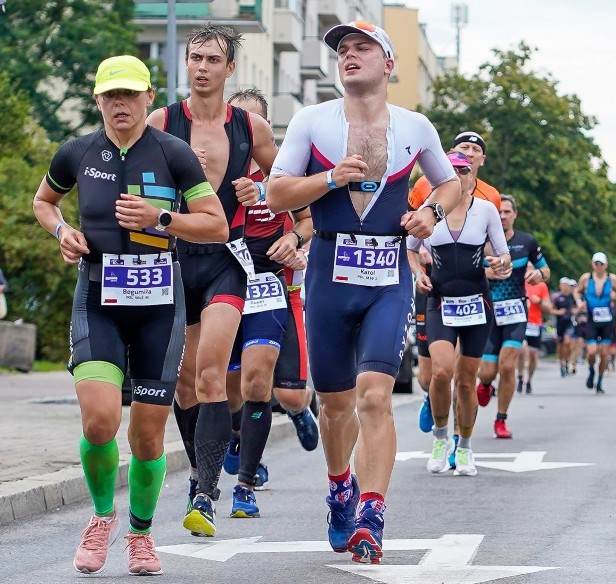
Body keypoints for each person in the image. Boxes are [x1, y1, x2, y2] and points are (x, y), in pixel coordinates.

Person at [266, 20, 461, 564]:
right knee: (333, 405)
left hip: (387, 277)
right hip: (328, 270)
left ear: (388, 64)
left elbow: (448, 183)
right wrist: (331, 180)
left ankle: (372, 513)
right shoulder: (312, 121)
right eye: (342, 51)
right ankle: (339, 489)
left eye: (362, 48)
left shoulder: (416, 127)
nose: (349, 57)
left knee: (376, 395)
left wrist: (430, 211)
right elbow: (277, 192)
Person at [33, 55, 228, 576]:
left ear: (148, 97)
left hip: (159, 308)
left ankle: (141, 535)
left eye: (129, 95)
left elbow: (217, 226)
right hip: (97, 297)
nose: (120, 104)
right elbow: (44, 202)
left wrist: (162, 218)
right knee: (99, 421)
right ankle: (101, 519)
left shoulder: (174, 153)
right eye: (110, 96)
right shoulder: (77, 152)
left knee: (146, 436)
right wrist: (61, 233)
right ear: (97, 101)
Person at [146, 24, 278, 537]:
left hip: (226, 259)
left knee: (210, 374)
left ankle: (206, 492)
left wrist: (259, 193)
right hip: (174, 259)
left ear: (229, 69)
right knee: (182, 384)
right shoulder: (162, 122)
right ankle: (200, 470)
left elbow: (288, 187)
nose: (201, 68)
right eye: (194, 58)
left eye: (212, 60)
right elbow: (134, 182)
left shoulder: (251, 128)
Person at [220, 88, 317, 519]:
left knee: (269, 388)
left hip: (269, 286)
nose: (242, 132)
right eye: (234, 122)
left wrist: (293, 240)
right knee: (229, 388)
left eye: (251, 123)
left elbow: (308, 219)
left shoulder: (280, 175)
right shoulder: (204, 169)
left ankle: (246, 480)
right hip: (219, 286)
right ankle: (241, 439)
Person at [408, 151, 510, 477]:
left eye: (463, 170)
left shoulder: (486, 211)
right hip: (439, 299)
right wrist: (417, 274)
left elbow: (503, 256)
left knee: (467, 382)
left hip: (476, 303)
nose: (458, 175)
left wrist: (499, 264)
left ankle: (464, 445)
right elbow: (409, 250)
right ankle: (441, 438)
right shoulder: (427, 211)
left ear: (472, 175)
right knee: (440, 372)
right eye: (451, 170)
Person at [476, 194, 550, 439]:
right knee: (487, 372)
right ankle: (486, 384)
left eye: (507, 211)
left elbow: (545, 269)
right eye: (498, 212)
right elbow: (465, 269)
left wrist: (539, 276)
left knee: (507, 366)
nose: (503, 216)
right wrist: (485, 272)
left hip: (516, 312)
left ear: (514, 214)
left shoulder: (526, 242)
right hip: (488, 313)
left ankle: (501, 420)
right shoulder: (481, 240)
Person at [574, 252, 616, 394]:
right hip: (592, 318)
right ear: (592, 264)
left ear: (606, 265)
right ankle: (591, 371)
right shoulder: (586, 278)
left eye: (601, 264)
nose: (599, 266)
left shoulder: (612, 279)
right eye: (596, 263)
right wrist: (579, 302)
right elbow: (577, 292)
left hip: (607, 320)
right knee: (591, 352)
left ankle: (600, 381)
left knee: (604, 353)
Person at [518, 278, 552, 394]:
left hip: (535, 324)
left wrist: (539, 302)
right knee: (522, 350)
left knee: (533, 355)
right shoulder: (518, 281)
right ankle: (520, 376)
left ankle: (529, 381)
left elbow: (549, 308)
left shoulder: (541, 286)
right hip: (521, 322)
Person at [552, 278, 577, 376]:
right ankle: (562, 363)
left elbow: (577, 307)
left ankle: (567, 362)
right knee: (560, 345)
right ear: (560, 286)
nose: (565, 287)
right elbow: (551, 309)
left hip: (569, 322)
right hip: (559, 323)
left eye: (567, 285)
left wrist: (575, 311)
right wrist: (558, 312)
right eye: (563, 285)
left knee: (567, 342)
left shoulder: (572, 297)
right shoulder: (556, 297)